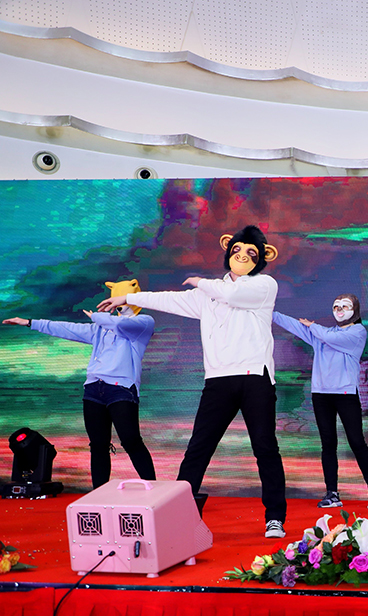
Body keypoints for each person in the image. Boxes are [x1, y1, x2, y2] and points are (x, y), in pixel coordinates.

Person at [98, 225, 288, 538]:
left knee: (265, 447)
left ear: (262, 258)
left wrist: (201, 281)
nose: (242, 256)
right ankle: (179, 515)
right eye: (237, 250)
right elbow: (169, 300)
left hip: (255, 377)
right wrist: (127, 297)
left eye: (251, 253)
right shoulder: (207, 295)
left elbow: (232, 294)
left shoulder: (264, 285)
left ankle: (275, 517)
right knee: (198, 448)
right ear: (228, 249)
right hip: (218, 380)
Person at [4, 279, 156, 488]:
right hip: (94, 389)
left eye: (117, 301)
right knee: (98, 446)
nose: (114, 306)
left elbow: (120, 325)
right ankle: (99, 493)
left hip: (121, 389)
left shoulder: (143, 323)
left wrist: (98, 317)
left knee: (131, 441)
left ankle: (155, 490)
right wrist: (30, 322)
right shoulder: (101, 328)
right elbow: (67, 328)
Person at [272, 294, 368, 510]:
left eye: (345, 306)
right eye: (336, 306)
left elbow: (330, 338)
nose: (339, 309)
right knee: (328, 443)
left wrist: (313, 326)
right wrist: (269, 311)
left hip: (345, 394)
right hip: (321, 394)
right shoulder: (322, 333)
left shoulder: (357, 332)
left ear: (355, 310)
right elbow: (295, 326)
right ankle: (332, 493)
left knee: (356, 441)